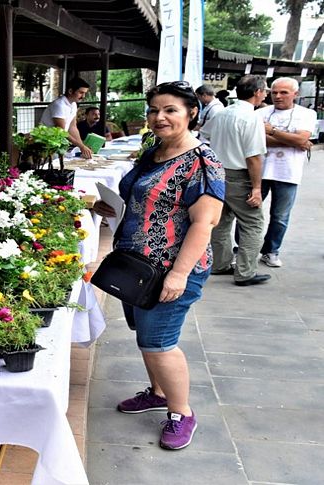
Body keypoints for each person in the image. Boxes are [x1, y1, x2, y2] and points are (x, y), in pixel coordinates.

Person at [93, 80, 225, 450]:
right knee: (145, 338)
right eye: (154, 110)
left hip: (169, 269)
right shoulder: (154, 150)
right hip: (135, 264)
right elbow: (142, 197)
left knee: (159, 342)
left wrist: (179, 274)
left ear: (191, 113)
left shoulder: (202, 163)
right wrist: (112, 208)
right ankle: (157, 392)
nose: (159, 117)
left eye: (170, 110)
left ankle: (181, 412)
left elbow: (205, 222)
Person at [201, 75, 270, 286]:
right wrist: (257, 188)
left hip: (218, 173)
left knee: (221, 222)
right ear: (257, 92)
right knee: (253, 223)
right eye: (265, 90)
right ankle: (245, 272)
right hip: (239, 175)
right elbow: (253, 157)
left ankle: (220, 264)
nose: (266, 94)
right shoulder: (251, 117)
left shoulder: (222, 113)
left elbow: (204, 135)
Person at [256, 77, 316, 267]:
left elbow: (302, 139)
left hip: (288, 172)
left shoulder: (307, 114)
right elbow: (257, 140)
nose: (278, 96)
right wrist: (295, 140)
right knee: (249, 213)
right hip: (259, 171)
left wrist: (272, 131)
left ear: (295, 94)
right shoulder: (261, 112)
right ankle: (243, 249)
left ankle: (271, 251)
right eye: (274, 92)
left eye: (284, 92)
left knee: (280, 216)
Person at [39, 77, 94, 159]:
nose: (83, 96)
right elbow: (61, 131)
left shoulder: (73, 104)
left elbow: (73, 127)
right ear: (70, 91)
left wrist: (82, 146)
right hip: (47, 143)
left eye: (84, 93)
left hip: (57, 142)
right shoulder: (59, 105)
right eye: (81, 93)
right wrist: (81, 146)